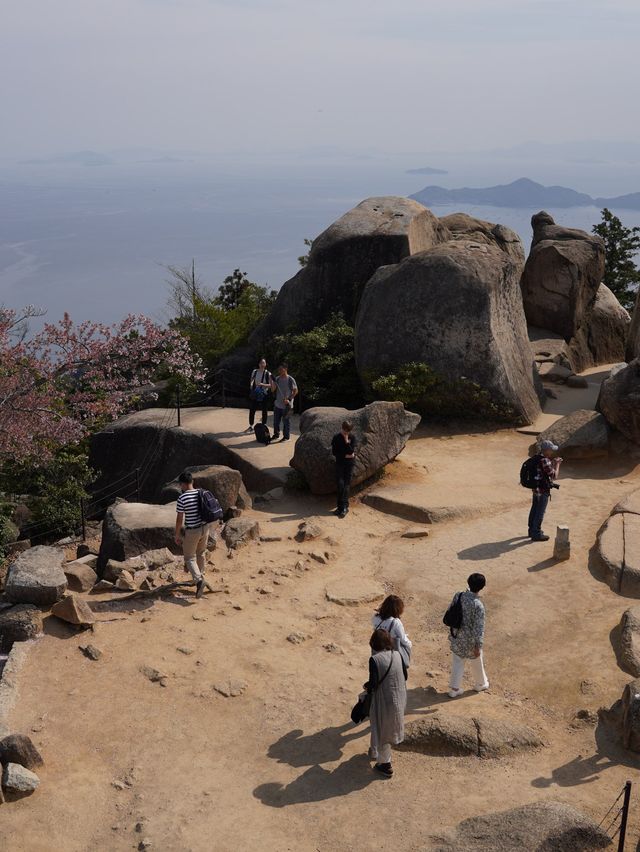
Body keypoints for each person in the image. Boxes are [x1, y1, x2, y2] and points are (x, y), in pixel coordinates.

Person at [365, 628, 407, 777]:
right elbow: (405, 675)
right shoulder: (397, 654)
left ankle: (385, 764)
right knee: (389, 728)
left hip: (383, 700)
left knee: (382, 729)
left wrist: (367, 687)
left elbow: (374, 683)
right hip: (399, 697)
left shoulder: (374, 660)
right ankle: (374, 751)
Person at [447, 573, 489, 698]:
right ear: (482, 587)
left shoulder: (458, 595)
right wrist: (478, 646)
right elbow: (478, 628)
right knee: (476, 660)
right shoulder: (478, 606)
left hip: (456, 635)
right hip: (470, 641)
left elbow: (451, 610)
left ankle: (454, 689)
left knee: (458, 661)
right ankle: (480, 683)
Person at [174, 471, 211, 599]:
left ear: (182, 484)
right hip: (205, 528)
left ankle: (199, 581)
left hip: (193, 530)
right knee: (201, 553)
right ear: (192, 482)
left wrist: (177, 535)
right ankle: (201, 576)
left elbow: (179, 519)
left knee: (189, 557)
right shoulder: (201, 492)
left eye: (180, 485)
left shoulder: (182, 498)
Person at [528, 439, 563, 542]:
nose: (552, 452)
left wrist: (551, 463)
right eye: (551, 450)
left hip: (535, 489)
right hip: (543, 490)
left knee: (534, 509)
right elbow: (554, 476)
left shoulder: (537, 458)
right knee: (540, 511)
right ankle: (536, 533)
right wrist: (557, 464)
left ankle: (531, 530)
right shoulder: (545, 460)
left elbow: (543, 471)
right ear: (546, 450)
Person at [372, 595, 412, 671]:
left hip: (378, 652)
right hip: (391, 655)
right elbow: (403, 640)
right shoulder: (395, 622)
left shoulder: (375, 617)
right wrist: (410, 644)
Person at [331, 420, 357, 518]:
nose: (346, 433)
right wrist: (346, 455)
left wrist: (346, 442)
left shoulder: (352, 438)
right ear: (342, 428)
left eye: (348, 431)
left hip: (349, 465)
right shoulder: (336, 438)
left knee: (346, 485)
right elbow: (334, 453)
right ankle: (340, 507)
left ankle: (344, 507)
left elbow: (351, 452)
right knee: (340, 484)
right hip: (339, 464)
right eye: (344, 430)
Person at [271, 363, 298, 441]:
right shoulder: (277, 379)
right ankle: (276, 435)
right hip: (278, 404)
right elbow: (273, 390)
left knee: (286, 422)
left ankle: (286, 437)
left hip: (288, 406)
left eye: (281, 369)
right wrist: (271, 381)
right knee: (276, 422)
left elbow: (295, 391)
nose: (279, 371)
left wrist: (289, 399)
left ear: (285, 369)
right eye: (279, 369)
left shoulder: (290, 379)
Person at [247, 358, 271, 432]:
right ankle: (251, 426)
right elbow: (251, 380)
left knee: (264, 410)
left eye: (263, 363)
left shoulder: (268, 373)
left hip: (264, 393)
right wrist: (251, 386)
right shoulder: (254, 372)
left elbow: (270, 385)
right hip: (256, 393)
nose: (262, 364)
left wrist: (262, 384)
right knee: (252, 409)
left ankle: (264, 425)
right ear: (259, 364)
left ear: (265, 364)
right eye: (261, 363)